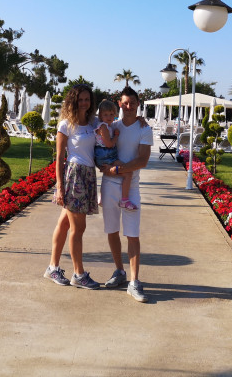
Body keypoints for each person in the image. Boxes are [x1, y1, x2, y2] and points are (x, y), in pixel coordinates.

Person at [44, 85, 101, 289]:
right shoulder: (66, 125)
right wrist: (59, 187)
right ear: (73, 101)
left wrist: (138, 120)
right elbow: (59, 157)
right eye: (80, 99)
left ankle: (52, 268)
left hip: (88, 175)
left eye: (87, 99)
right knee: (78, 228)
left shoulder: (93, 122)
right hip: (74, 176)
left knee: (64, 224)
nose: (84, 103)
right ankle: (78, 274)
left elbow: (113, 121)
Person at [99, 86, 153, 302]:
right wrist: (105, 168)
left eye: (132, 103)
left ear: (138, 104)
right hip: (109, 185)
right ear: (119, 104)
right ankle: (120, 271)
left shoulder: (144, 128)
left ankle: (134, 281)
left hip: (131, 188)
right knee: (112, 231)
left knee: (132, 234)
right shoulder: (112, 126)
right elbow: (100, 149)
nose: (129, 106)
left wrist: (118, 169)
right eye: (125, 103)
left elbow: (143, 160)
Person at [94, 99, 137, 211]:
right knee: (128, 173)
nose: (109, 117)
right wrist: (116, 136)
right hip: (106, 155)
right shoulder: (103, 127)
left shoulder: (108, 126)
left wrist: (138, 118)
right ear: (100, 115)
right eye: (106, 114)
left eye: (111, 114)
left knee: (109, 174)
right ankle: (124, 200)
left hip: (105, 155)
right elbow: (109, 144)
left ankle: (102, 198)